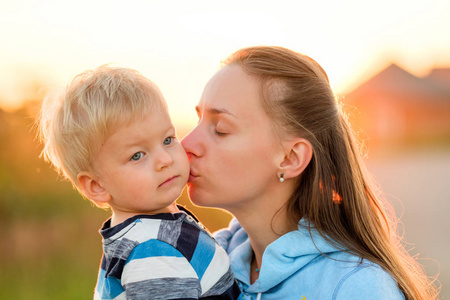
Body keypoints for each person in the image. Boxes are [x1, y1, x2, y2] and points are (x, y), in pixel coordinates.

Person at [181, 46, 439, 299]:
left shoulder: (357, 288)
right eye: (199, 120)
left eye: (221, 129)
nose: (186, 144)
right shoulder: (199, 263)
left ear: (291, 158)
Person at [37, 66, 241, 300]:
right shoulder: (152, 250)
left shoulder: (149, 231)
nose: (165, 159)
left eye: (167, 139)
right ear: (97, 186)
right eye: (137, 155)